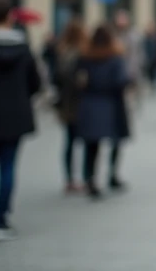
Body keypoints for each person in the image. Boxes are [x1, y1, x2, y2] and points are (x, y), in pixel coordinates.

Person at [0, 0, 42, 241]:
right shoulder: (23, 48)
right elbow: (35, 83)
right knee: (8, 167)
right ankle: (1, 221)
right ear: (10, 17)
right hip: (15, 116)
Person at [75, 25, 131, 200]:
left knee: (92, 145)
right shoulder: (115, 58)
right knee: (116, 140)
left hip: (90, 102)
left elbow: (76, 78)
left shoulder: (85, 57)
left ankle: (90, 179)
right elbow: (121, 80)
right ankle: (112, 175)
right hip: (112, 103)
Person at [52, 18, 87, 193]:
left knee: (69, 142)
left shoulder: (62, 52)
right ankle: (86, 177)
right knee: (87, 141)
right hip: (82, 104)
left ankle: (69, 178)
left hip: (66, 103)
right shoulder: (84, 53)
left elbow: (56, 79)